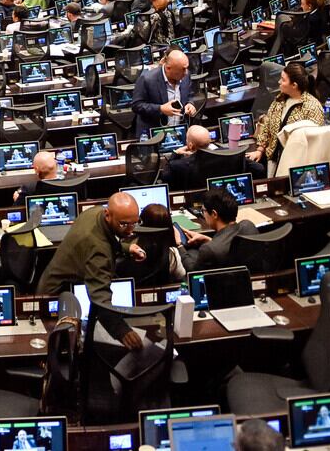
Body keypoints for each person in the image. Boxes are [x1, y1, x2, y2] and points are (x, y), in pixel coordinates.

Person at [38, 192, 147, 350]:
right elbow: (100, 299)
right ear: (108, 215)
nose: (130, 231)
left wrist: (125, 247)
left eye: (134, 223)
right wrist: (122, 331)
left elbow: (106, 237)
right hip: (56, 298)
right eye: (124, 224)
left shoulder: (94, 213)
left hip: (60, 279)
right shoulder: (99, 252)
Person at [247, 62, 326, 166]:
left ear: (294, 85)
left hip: (297, 162)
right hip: (274, 157)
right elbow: (267, 125)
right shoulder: (280, 100)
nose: (279, 82)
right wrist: (260, 150)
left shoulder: (312, 107)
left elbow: (314, 143)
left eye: (283, 80)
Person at [179, 187, 258, 272]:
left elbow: (193, 272)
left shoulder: (208, 250)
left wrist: (179, 245)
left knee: (191, 252)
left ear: (214, 214)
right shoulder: (248, 225)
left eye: (203, 211)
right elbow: (229, 249)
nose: (203, 215)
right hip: (249, 280)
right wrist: (209, 240)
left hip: (226, 283)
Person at [133, 49, 196, 139]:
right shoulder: (147, 79)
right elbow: (136, 105)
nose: (186, 72)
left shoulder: (186, 76)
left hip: (178, 132)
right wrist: (160, 109)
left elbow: (189, 95)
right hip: (154, 134)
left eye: (186, 68)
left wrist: (190, 104)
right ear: (168, 68)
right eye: (182, 69)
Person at [162, 124, 215, 189]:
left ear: (190, 145)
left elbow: (165, 179)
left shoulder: (176, 165)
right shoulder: (220, 158)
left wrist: (175, 153)